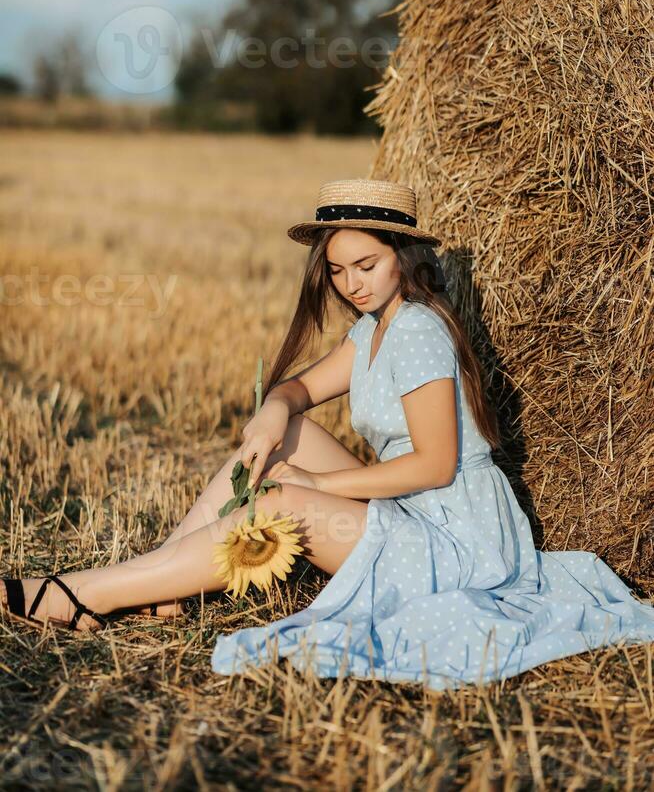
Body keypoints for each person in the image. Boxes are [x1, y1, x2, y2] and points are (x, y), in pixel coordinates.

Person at [3, 179, 654, 693]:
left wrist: (319, 485)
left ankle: (84, 594)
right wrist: (273, 410)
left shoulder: (421, 332)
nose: (351, 284)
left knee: (284, 498)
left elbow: (433, 466)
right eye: (338, 270)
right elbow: (299, 391)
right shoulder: (371, 331)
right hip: (415, 516)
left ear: (403, 255)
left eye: (366, 264)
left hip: (459, 543)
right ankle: (164, 577)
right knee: (278, 441)